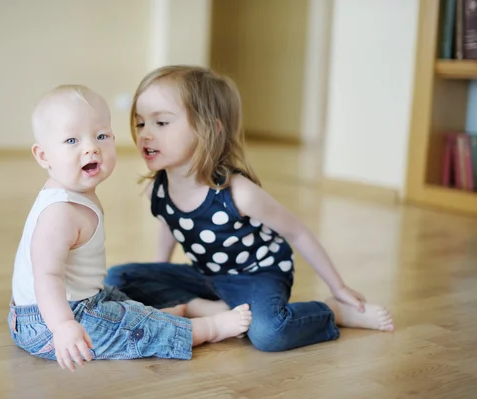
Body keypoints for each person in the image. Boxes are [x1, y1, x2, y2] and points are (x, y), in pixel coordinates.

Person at [104, 65, 395, 353]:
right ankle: (203, 306)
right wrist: (161, 269)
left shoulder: (238, 192)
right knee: (118, 279)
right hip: (207, 275)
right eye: (141, 123)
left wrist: (339, 288)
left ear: (209, 130)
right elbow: (170, 222)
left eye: (162, 122)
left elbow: (298, 233)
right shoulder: (160, 186)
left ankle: (333, 313)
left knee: (270, 333)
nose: (145, 134)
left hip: (257, 275)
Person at [7, 84, 252, 371]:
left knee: (122, 304)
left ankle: (178, 310)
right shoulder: (59, 212)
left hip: (77, 302)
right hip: (50, 323)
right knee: (137, 331)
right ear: (44, 156)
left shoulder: (74, 193)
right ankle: (208, 329)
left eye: (101, 136)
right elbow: (46, 277)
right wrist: (63, 327)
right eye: (72, 140)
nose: (91, 147)